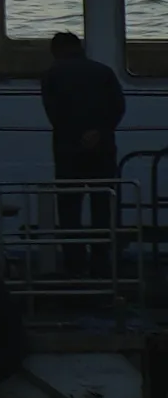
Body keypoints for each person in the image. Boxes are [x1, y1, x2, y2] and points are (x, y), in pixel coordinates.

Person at [35, 29, 129, 242]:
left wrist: (77, 135)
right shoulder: (104, 72)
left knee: (69, 208)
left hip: (68, 150)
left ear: (56, 50)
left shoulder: (52, 74)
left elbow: (54, 113)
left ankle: (74, 262)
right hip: (102, 148)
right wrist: (99, 132)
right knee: (102, 207)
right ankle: (102, 263)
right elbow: (118, 107)